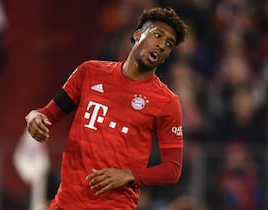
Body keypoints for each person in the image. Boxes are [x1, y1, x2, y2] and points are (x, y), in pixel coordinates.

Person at [25, 7, 189, 210]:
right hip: (65, 203)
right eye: (157, 35)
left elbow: (172, 169)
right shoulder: (90, 72)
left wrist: (129, 175)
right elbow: (47, 114)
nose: (162, 45)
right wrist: (34, 117)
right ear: (138, 34)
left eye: (169, 44)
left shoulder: (167, 102)